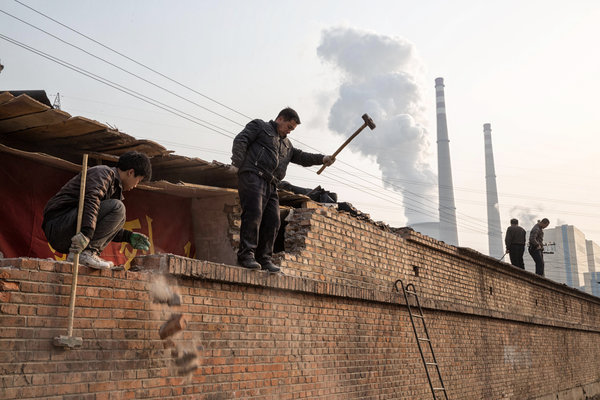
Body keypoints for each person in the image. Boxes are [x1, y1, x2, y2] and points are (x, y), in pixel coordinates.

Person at [231, 107, 335, 272]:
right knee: (254, 214)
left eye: (292, 129)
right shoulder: (260, 126)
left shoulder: (287, 145)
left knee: (273, 220)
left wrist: (322, 159)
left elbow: (301, 157)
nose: (290, 131)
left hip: (272, 184)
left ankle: (264, 259)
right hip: (253, 175)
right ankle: (246, 255)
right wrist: (237, 163)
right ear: (280, 119)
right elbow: (241, 140)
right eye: (289, 127)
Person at [42, 151, 153, 269]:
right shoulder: (104, 173)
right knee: (118, 208)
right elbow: (91, 200)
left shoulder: (115, 190)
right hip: (59, 224)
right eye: (139, 181)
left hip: (71, 231)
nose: (136, 185)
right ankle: (87, 253)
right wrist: (86, 233)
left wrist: (127, 236)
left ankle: (85, 253)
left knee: (120, 216)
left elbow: (99, 223)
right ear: (131, 172)